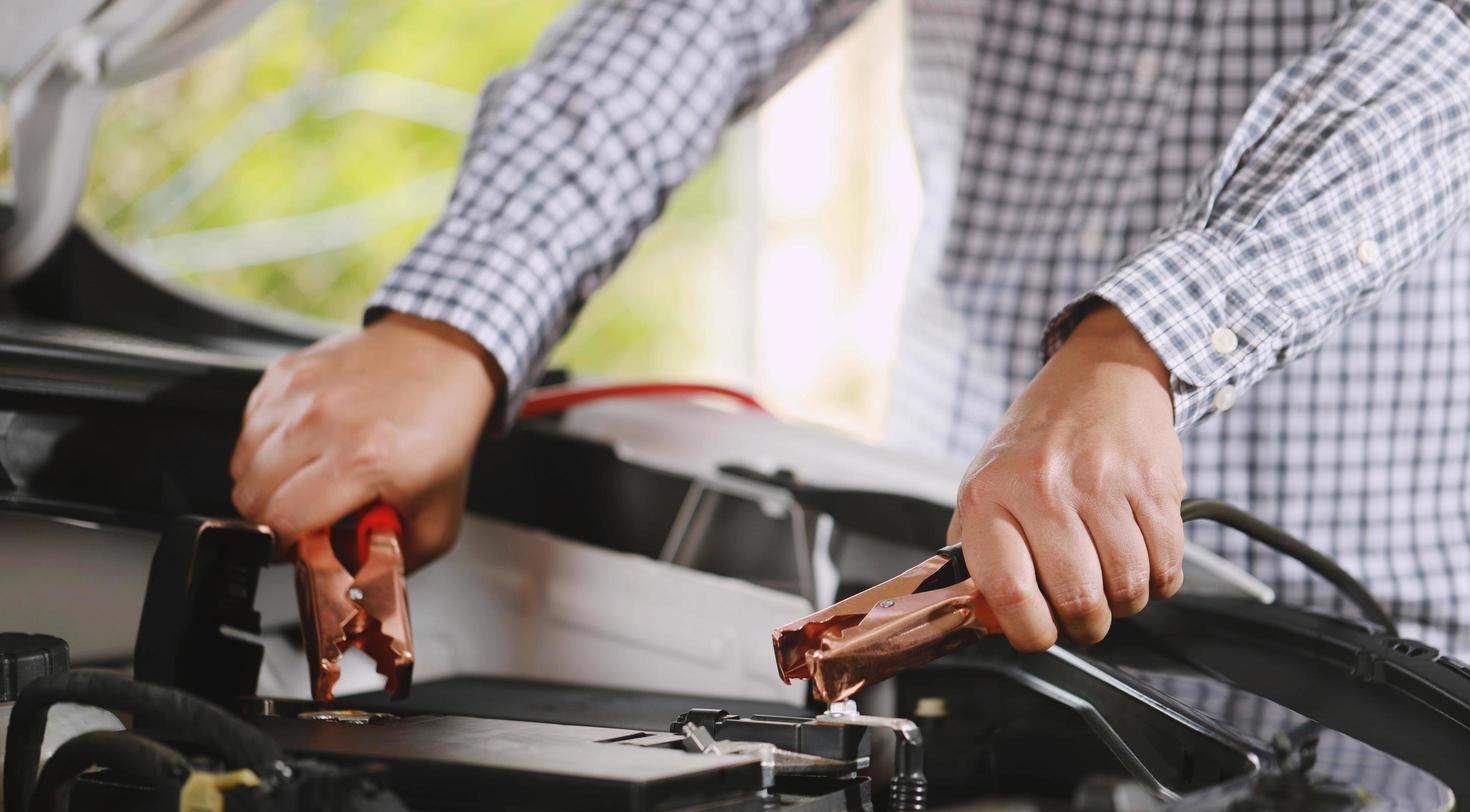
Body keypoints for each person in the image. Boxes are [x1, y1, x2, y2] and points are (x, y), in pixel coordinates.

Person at [230, 1, 1470, 656]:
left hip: (1398, 621)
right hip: (966, 565)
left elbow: (1438, 57)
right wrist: (455, 325)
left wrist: (1144, 342)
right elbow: (699, 17)